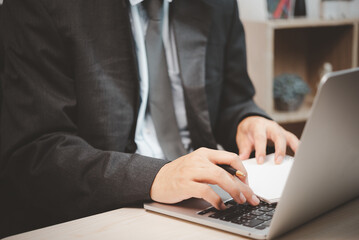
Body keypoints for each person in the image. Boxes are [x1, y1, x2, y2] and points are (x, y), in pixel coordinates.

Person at [0, 0, 299, 237]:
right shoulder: (38, 5)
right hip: (107, 209)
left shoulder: (219, 4)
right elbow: (35, 152)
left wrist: (247, 119)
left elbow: (233, 99)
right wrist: (155, 176)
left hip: (206, 201)